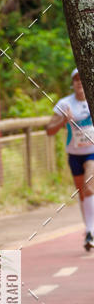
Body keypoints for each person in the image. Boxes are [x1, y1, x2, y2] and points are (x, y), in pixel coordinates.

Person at [46, 67, 94, 251]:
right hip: (74, 155)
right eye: (76, 80)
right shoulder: (65, 104)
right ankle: (89, 228)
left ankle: (91, 231)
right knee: (83, 193)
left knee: (89, 186)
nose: (79, 83)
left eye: (82, 79)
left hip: (92, 153)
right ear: (73, 84)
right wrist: (63, 121)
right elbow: (49, 130)